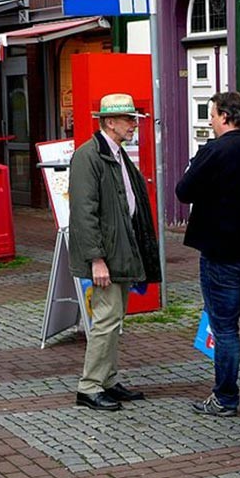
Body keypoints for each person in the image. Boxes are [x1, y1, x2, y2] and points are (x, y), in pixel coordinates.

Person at [175, 91, 240, 417]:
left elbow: (183, 190)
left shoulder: (214, 151)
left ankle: (225, 397)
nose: (210, 120)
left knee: (224, 328)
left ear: (225, 117)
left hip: (220, 251)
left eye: (213, 114)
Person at [68, 93, 162, 411]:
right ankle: (89, 385)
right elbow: (84, 212)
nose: (134, 124)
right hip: (106, 255)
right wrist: (97, 259)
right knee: (107, 319)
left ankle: (106, 379)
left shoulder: (116, 153)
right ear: (110, 122)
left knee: (114, 318)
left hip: (119, 251)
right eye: (128, 119)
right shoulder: (89, 156)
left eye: (134, 119)